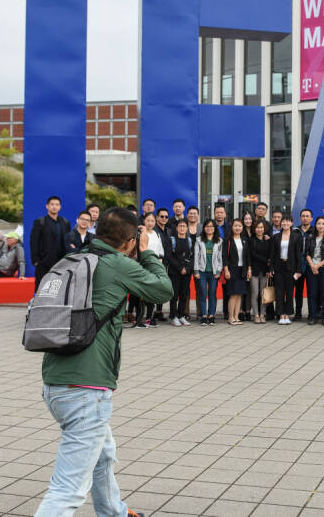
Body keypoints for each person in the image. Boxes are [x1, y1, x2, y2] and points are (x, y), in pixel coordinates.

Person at [35, 207, 171, 517]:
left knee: (103, 453)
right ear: (129, 240)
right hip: (86, 388)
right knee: (67, 490)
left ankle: (113, 512)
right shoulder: (117, 264)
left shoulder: (74, 259)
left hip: (55, 381)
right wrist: (148, 253)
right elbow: (163, 289)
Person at [30, 196, 71, 292]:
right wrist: (36, 260)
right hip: (44, 262)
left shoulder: (65, 223)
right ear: (47, 206)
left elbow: (67, 242)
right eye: (52, 204)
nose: (54, 207)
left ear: (60, 207)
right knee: (41, 288)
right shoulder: (40, 222)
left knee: (59, 289)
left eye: (57, 205)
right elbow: (33, 242)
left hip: (61, 262)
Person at [271, 215, 303, 325]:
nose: (285, 223)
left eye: (288, 222)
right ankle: (280, 314)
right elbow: (273, 254)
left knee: (289, 292)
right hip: (279, 267)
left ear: (291, 223)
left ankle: (288, 314)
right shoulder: (276, 237)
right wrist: (271, 268)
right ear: (281, 223)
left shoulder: (296, 236)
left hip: (291, 267)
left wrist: (298, 270)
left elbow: (299, 254)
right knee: (279, 292)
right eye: (283, 221)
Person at [192, 219, 222, 325]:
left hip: (214, 272)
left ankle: (211, 315)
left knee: (212, 293)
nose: (209, 228)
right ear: (204, 228)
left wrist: (219, 270)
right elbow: (196, 256)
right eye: (207, 226)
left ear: (215, 228)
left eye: (211, 226)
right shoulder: (199, 240)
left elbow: (220, 258)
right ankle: (204, 316)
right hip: (202, 271)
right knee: (203, 293)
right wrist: (196, 271)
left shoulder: (219, 241)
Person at [305, 216, 324, 325]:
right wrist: (312, 265)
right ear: (315, 225)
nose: (320, 226)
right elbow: (306, 253)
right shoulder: (310, 237)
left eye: (323, 224)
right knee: (312, 293)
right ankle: (313, 316)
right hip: (311, 268)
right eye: (318, 223)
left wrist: (318, 265)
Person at [166, 220, 194, 326]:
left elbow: (192, 257)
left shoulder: (190, 240)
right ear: (177, 228)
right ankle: (173, 316)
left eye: (184, 226)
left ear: (187, 228)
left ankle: (182, 315)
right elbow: (169, 256)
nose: (182, 228)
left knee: (184, 294)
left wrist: (187, 268)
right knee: (174, 295)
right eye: (180, 226)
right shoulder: (172, 240)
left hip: (186, 272)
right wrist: (180, 267)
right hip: (175, 272)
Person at [222, 219, 249, 325]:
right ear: (232, 228)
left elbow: (247, 257)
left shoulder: (244, 240)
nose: (238, 228)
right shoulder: (228, 240)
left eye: (240, 226)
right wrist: (226, 269)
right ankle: (230, 317)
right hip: (232, 270)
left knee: (239, 295)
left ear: (242, 228)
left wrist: (248, 269)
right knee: (233, 294)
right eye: (235, 226)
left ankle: (237, 316)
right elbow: (224, 256)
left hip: (242, 270)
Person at [246, 220, 272, 324]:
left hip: (265, 271)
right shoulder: (251, 240)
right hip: (254, 270)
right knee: (255, 293)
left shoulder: (268, 240)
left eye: (261, 227)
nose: (259, 229)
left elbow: (271, 255)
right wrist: (266, 260)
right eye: (257, 227)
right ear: (254, 229)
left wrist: (269, 268)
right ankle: (256, 315)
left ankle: (262, 314)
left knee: (263, 294)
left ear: (264, 229)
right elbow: (251, 255)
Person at [294, 209, 315, 320]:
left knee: (312, 291)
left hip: (311, 265)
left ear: (311, 218)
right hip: (298, 265)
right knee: (298, 291)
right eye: (303, 216)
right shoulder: (295, 231)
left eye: (307, 216)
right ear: (300, 218)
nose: (305, 218)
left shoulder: (315, 231)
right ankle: (298, 313)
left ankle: (312, 314)